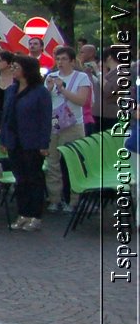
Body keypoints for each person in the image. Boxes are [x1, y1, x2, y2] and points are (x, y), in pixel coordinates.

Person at [0, 54, 52, 231]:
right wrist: (3, 139)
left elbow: (45, 120)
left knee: (33, 179)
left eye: (16, 67)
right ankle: (23, 214)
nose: (13, 70)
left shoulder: (40, 92)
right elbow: (5, 117)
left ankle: (35, 216)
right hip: (14, 141)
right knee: (20, 179)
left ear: (26, 70)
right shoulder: (11, 90)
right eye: (12, 67)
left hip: (32, 142)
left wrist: (44, 144)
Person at [43, 45, 93, 211]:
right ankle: (54, 198)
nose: (60, 62)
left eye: (64, 59)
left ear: (72, 61)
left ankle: (74, 199)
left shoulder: (81, 77)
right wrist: (48, 89)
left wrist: (62, 89)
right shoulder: (51, 76)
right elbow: (43, 101)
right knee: (52, 161)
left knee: (73, 161)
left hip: (73, 124)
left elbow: (81, 101)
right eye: (58, 59)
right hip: (54, 122)